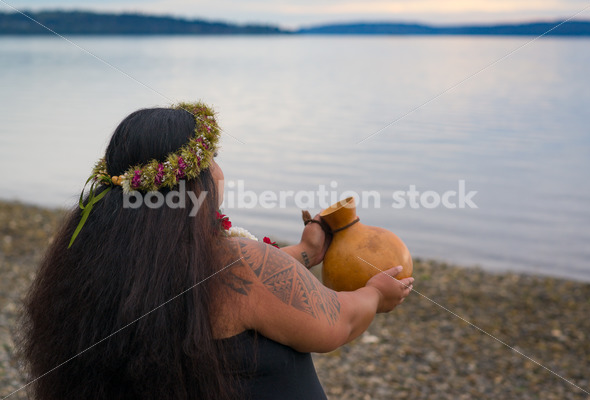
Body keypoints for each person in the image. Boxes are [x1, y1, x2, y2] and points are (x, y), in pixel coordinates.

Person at [19, 101, 414, 400]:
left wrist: (306, 252)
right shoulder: (237, 265)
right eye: (212, 161)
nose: (220, 173)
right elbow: (337, 323)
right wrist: (375, 294)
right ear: (192, 182)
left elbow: (223, 284)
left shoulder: (93, 257)